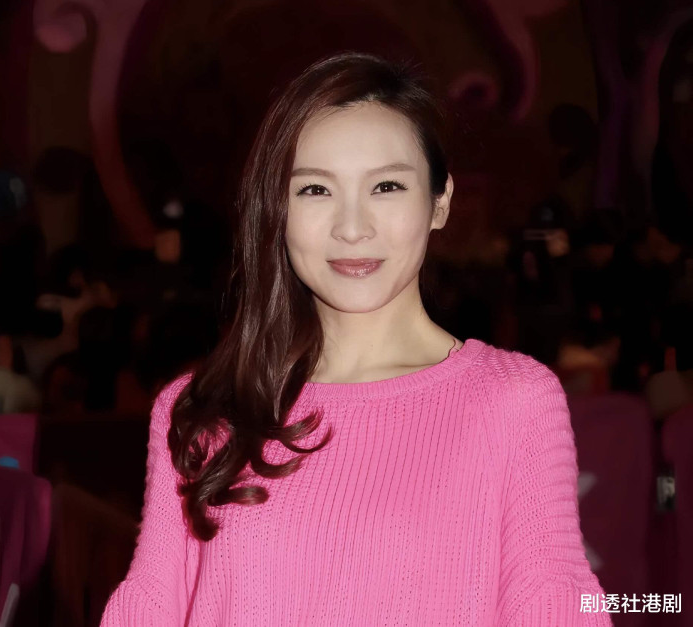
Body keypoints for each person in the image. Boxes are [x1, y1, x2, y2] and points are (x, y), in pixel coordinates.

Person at [101, 52, 610, 625]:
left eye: (386, 186)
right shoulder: (204, 408)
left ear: (439, 201)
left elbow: (552, 602)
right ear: (277, 209)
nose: (351, 227)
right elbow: (149, 606)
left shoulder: (513, 400)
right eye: (315, 190)